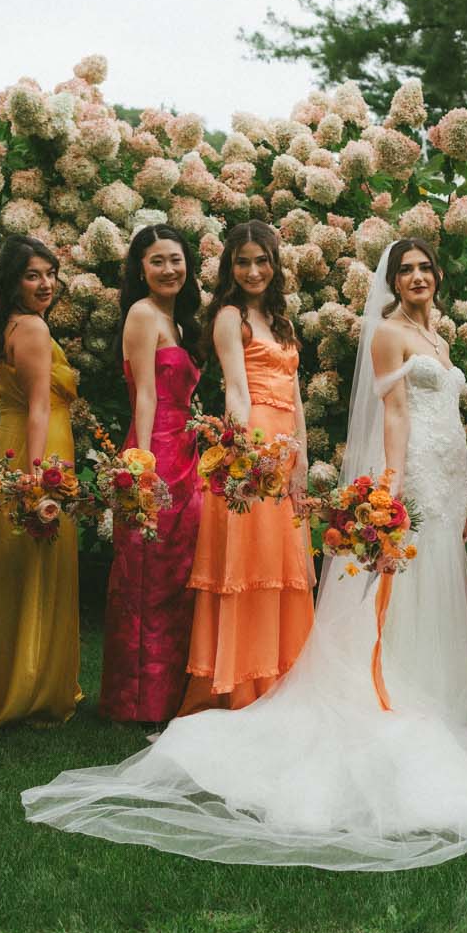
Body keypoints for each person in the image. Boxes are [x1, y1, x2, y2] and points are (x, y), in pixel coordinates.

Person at [21, 243, 467, 870]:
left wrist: (458, 486)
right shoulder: (388, 333)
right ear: (392, 282)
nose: (417, 278)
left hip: (450, 480)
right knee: (402, 591)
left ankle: (442, 703)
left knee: (442, 585)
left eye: (425, 269)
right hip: (412, 473)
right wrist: (391, 482)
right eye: (405, 270)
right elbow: (394, 413)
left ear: (438, 277)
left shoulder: (438, 338)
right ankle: (395, 695)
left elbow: (444, 412)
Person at [180, 220, 313, 712]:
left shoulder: (283, 322)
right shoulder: (229, 317)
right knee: (250, 564)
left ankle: (284, 678)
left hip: (285, 446)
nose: (254, 270)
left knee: (283, 566)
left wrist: (300, 459)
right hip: (253, 445)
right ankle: (242, 684)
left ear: (275, 264)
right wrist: (244, 459)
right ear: (230, 267)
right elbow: (236, 390)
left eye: (262, 260)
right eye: (243, 261)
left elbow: (297, 399)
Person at [0, 236, 81, 731]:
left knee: (10, 564)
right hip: (39, 445)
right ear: (13, 280)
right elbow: (39, 404)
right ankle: (30, 690)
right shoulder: (32, 327)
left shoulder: (5, 325)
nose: (45, 284)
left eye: (50, 273)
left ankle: (0, 679)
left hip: (7, 442)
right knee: (36, 562)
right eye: (33, 275)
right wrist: (38, 480)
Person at [99, 224, 205, 728]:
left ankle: (172, 696)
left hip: (188, 455)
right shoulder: (143, 315)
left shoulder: (180, 321)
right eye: (158, 260)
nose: (169, 269)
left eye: (176, 259)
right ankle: (137, 702)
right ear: (140, 268)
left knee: (178, 579)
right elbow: (143, 392)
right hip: (155, 451)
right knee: (146, 578)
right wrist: (141, 466)